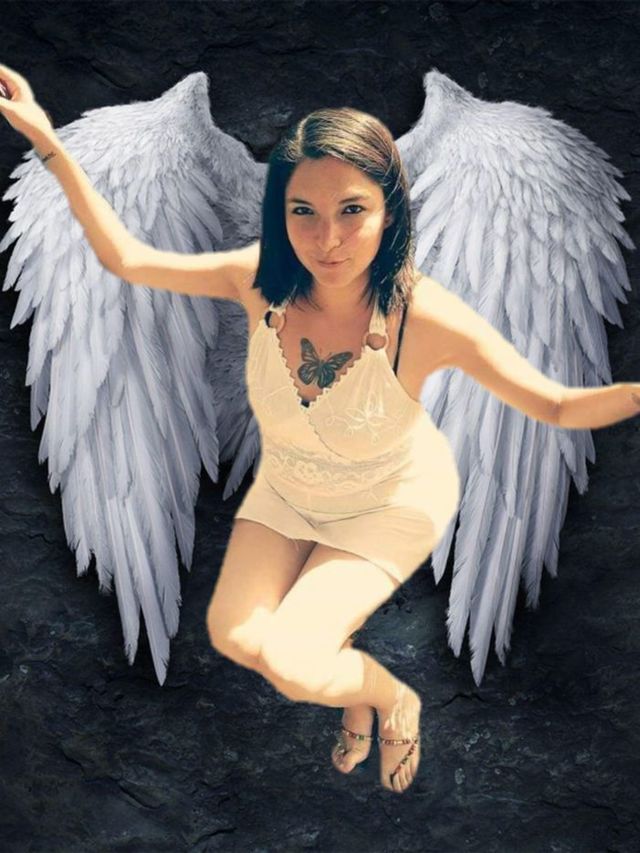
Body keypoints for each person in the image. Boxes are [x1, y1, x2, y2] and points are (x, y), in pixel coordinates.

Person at [2, 63, 640, 795]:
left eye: (352, 211)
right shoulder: (255, 274)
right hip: (291, 492)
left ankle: (392, 697)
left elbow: (552, 406)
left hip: (388, 501)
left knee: (293, 658)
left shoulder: (423, 310)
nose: (327, 238)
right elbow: (126, 259)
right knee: (236, 635)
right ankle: (352, 691)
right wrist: (48, 143)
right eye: (303, 211)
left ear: (389, 211)